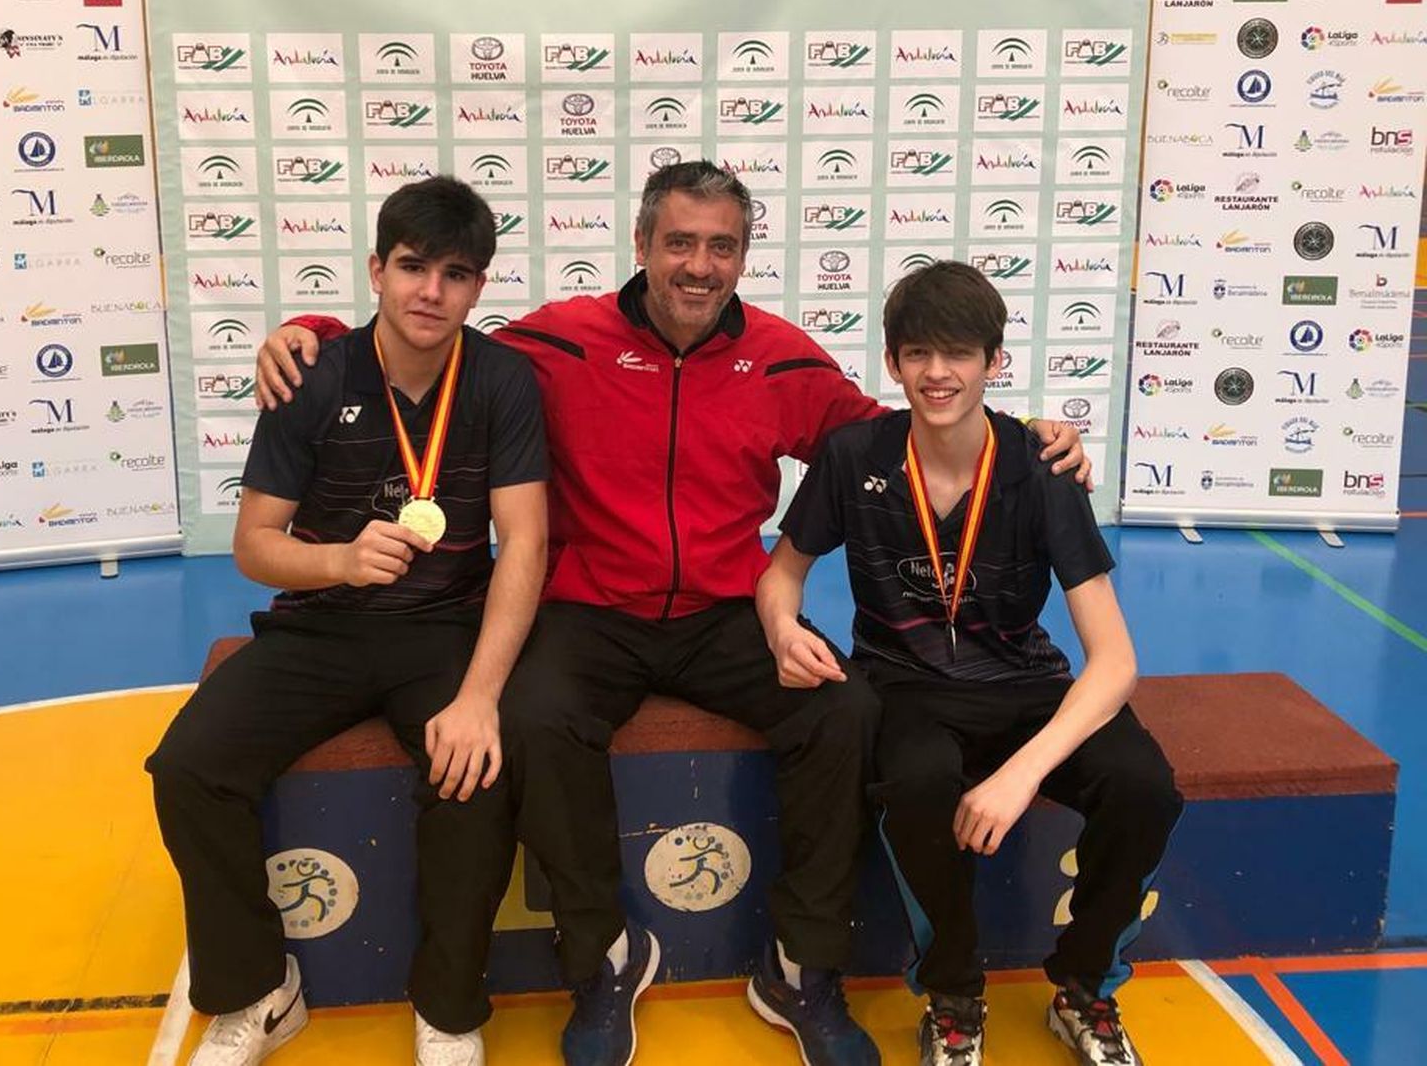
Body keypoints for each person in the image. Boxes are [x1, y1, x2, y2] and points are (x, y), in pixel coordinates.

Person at [257, 162, 1088, 1066]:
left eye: (721, 246)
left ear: (741, 257)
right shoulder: (563, 341)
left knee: (844, 711)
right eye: (681, 242)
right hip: (590, 610)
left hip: (727, 611)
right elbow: (433, 340)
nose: (699, 264)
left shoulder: (778, 356)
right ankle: (604, 955)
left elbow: (894, 438)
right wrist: (310, 330)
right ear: (643, 244)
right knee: (530, 716)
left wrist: (1028, 434)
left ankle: (801, 964)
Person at [147, 176, 548, 1066]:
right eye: (411, 266)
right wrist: (338, 561)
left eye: (454, 273)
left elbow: (525, 543)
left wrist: (481, 695)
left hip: (445, 627)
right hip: (321, 626)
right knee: (188, 766)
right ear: (376, 269)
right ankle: (258, 988)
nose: (429, 291)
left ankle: (448, 1007)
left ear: (479, 287)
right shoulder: (313, 373)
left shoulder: (502, 381)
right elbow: (254, 543)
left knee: (474, 774)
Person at [755, 261, 1181, 1066]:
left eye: (958, 353)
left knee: (1144, 785)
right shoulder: (855, 456)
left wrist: (1020, 774)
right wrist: (781, 626)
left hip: (1025, 684)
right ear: (892, 362)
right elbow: (782, 573)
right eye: (918, 353)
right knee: (915, 783)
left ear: (994, 361)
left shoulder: (1042, 468)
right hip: (905, 686)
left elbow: (1115, 659)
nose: (937, 373)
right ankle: (953, 996)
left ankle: (1086, 988)